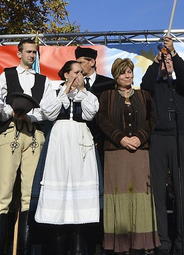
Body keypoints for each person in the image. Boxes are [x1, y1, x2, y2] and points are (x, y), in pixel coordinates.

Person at [0, 38, 52, 254]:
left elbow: (51, 109)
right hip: (10, 131)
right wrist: (11, 113)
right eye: (28, 52)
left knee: (28, 194)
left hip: (33, 133)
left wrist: (30, 115)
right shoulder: (7, 74)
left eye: (35, 52)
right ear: (19, 53)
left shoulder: (43, 80)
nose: (32, 56)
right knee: (4, 192)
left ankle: (23, 249)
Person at [33, 60, 100, 254]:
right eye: (76, 72)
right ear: (66, 75)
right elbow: (50, 113)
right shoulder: (54, 93)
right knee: (59, 188)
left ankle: (79, 249)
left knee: (79, 195)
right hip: (60, 142)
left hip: (80, 143)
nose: (80, 76)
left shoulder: (88, 96)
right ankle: (59, 248)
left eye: (82, 73)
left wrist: (82, 92)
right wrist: (65, 93)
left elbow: (89, 114)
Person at [96, 58, 160, 253]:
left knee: (141, 196)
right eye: (123, 72)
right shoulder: (106, 95)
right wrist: (121, 139)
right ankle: (120, 245)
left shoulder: (144, 95)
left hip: (140, 152)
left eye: (130, 71)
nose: (127, 75)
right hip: (116, 152)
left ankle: (140, 245)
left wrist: (139, 138)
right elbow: (102, 120)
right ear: (116, 75)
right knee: (119, 196)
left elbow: (151, 119)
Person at [141, 37, 184, 255]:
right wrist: (156, 63)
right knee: (158, 192)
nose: (167, 64)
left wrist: (175, 54)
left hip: (179, 137)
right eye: (165, 62)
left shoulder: (180, 87)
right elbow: (145, 86)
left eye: (170, 62)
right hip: (158, 139)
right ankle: (162, 240)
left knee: (182, 190)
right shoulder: (154, 85)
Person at [75, 46, 115, 255]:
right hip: (78, 147)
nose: (79, 65)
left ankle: (102, 243)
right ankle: (83, 243)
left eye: (83, 61)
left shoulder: (108, 84)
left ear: (92, 62)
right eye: (77, 61)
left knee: (101, 194)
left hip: (102, 146)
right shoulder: (70, 85)